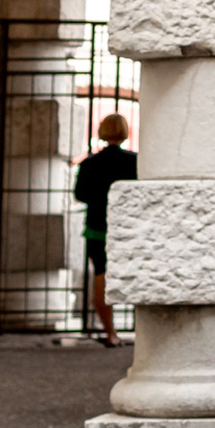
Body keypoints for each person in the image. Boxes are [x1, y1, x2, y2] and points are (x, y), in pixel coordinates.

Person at [71, 114, 134, 347]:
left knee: (101, 274)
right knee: (136, 274)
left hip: (98, 227)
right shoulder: (135, 161)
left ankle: (110, 332)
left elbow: (80, 195)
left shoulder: (90, 163)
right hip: (128, 228)